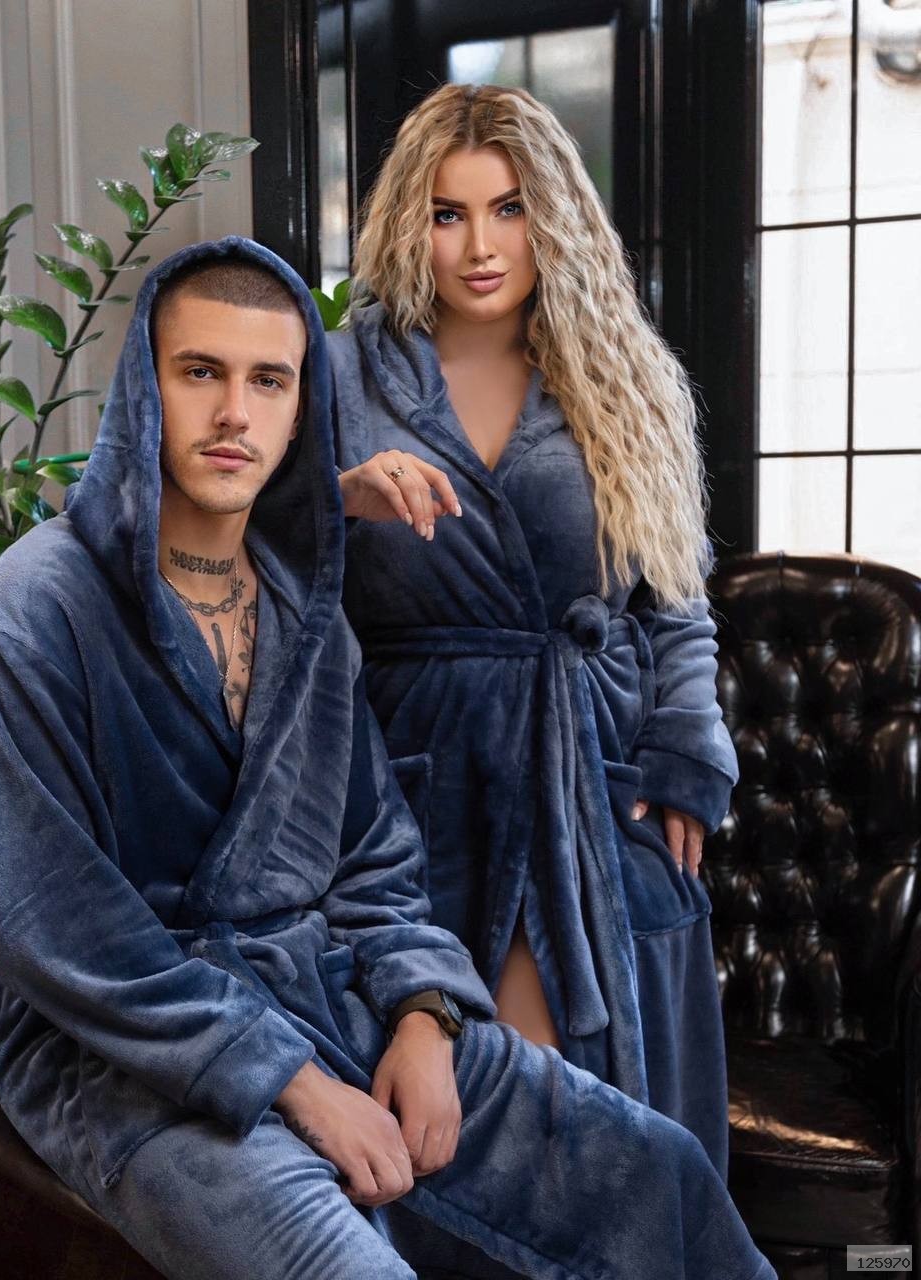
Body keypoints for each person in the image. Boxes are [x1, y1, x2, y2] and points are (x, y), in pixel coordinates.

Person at [0, 236, 773, 1280]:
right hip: (125, 1056)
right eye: (199, 372)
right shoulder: (35, 610)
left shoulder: (305, 615)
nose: (234, 412)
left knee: (659, 1177)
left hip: (329, 992)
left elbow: (377, 857)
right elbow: (58, 931)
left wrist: (425, 1014)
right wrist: (294, 1082)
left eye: (269, 380)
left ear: (303, 408)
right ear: (145, 391)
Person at [329, 82, 739, 1175]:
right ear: (407, 221)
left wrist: (687, 748)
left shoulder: (622, 375)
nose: (480, 246)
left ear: (552, 215)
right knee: (457, 1119)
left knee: (578, 1115)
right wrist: (338, 496)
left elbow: (675, 597)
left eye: (508, 208)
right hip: (418, 779)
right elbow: (258, 556)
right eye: (448, 213)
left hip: (592, 773)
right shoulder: (344, 374)